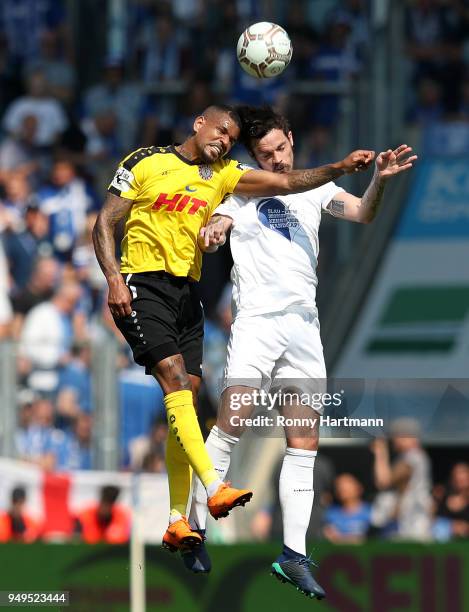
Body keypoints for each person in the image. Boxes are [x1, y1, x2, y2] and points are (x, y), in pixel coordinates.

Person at [92, 103, 375, 554]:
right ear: (198, 122)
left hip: (189, 295)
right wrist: (113, 278)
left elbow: (286, 183)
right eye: (220, 130)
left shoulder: (225, 174)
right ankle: (212, 484)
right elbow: (106, 221)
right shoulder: (145, 161)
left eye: (231, 136)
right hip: (141, 283)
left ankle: (176, 520)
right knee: (177, 384)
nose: (223, 139)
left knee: (183, 405)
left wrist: (340, 168)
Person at [187, 105, 416, 597]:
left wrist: (380, 180)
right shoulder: (243, 189)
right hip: (259, 322)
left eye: (281, 148)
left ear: (291, 138)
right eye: (266, 154)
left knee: (304, 441)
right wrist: (211, 234)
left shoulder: (316, 187)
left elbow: (362, 213)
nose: (277, 160)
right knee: (233, 420)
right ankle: (193, 529)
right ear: (254, 158)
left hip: (304, 326)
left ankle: (293, 554)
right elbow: (218, 229)